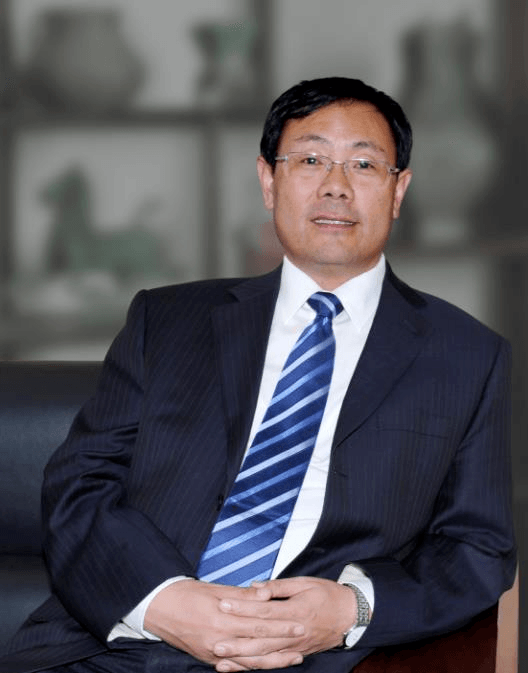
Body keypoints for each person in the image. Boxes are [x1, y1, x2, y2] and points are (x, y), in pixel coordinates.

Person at [0, 77, 516, 673]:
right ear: (269, 181)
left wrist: (352, 610)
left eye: (364, 165)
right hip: (115, 647)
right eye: (311, 160)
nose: (336, 185)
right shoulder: (165, 321)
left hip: (304, 658)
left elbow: (477, 547)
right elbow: (80, 484)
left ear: (398, 191)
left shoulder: (467, 357)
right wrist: (163, 602)